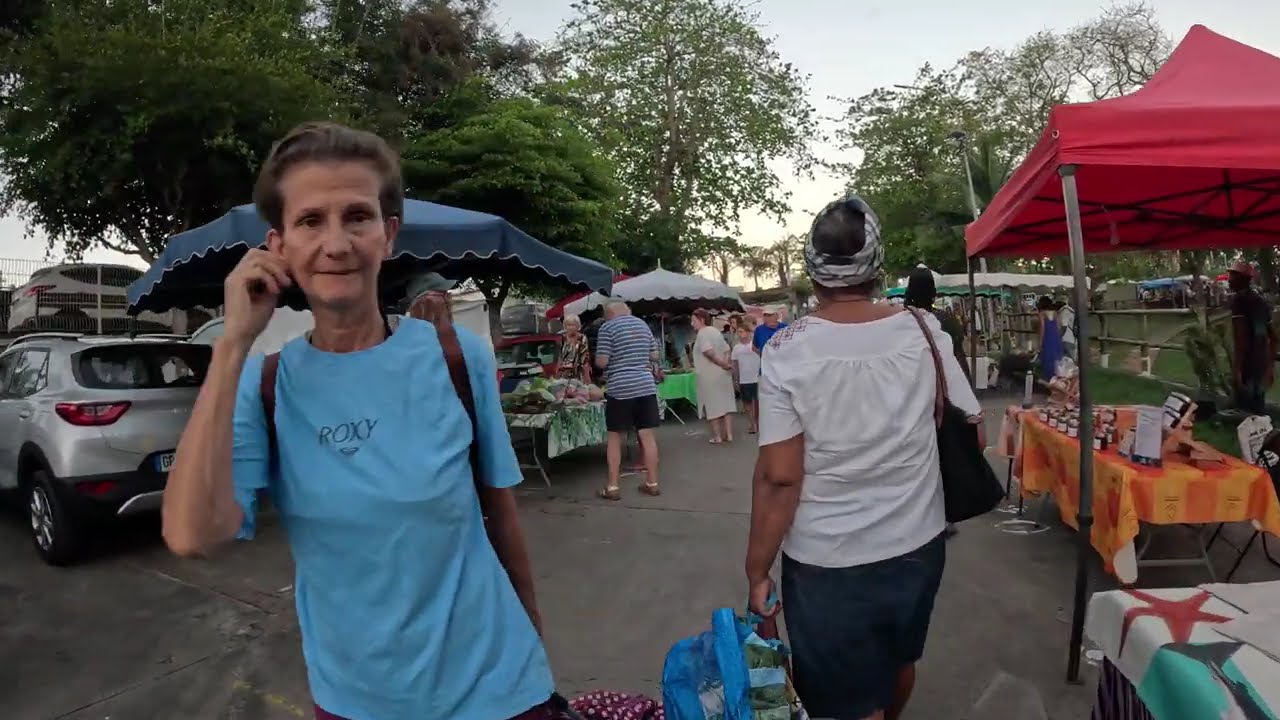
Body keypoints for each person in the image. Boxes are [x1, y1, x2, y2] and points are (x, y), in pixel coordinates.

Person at [160, 122, 557, 720]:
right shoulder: (264, 383)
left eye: (357, 216)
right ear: (279, 245)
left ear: (388, 234)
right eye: (311, 221)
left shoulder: (456, 358)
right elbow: (193, 535)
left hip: (500, 686)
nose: (337, 243)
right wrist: (233, 343)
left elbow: (498, 513)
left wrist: (535, 649)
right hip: (357, 702)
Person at [746, 195, 982, 720]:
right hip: (918, 545)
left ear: (812, 268)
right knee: (899, 660)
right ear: (877, 266)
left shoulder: (786, 348)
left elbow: (781, 479)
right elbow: (973, 430)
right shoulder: (925, 332)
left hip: (826, 561)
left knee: (842, 701)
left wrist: (756, 568)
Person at [595, 301, 662, 499]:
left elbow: (602, 362)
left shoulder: (607, 328)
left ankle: (613, 487)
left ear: (609, 315)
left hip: (620, 387)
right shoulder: (643, 325)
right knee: (647, 435)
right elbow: (655, 355)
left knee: (615, 437)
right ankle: (652, 483)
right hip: (645, 384)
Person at [1229, 261, 1276, 414]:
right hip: (1260, 367)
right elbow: (1273, 337)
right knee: (1258, 414)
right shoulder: (1260, 302)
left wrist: (1236, 370)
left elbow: (1241, 341)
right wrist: (1269, 368)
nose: (1229, 279)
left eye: (1233, 276)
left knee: (1244, 418)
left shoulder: (1239, 302)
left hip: (1246, 369)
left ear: (1243, 279)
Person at [691, 307, 738, 443]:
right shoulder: (715, 331)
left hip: (709, 375)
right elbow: (727, 349)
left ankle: (717, 436)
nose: (692, 324)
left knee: (712, 405)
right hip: (722, 374)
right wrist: (725, 363)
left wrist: (722, 364)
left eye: (693, 320)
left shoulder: (703, 333)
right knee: (726, 403)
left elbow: (708, 352)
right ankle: (729, 434)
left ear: (701, 320)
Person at [731, 326, 760, 434]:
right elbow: (735, 364)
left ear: (748, 333)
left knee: (757, 403)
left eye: (741, 331)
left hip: (757, 378)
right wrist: (735, 380)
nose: (739, 334)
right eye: (738, 332)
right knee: (747, 404)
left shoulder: (755, 345)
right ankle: (753, 424)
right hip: (744, 379)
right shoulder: (736, 348)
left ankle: (758, 423)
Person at [558, 313, 592, 383]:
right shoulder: (561, 338)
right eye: (569, 325)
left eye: (573, 325)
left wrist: (586, 376)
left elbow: (585, 357)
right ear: (565, 326)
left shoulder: (582, 338)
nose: (571, 327)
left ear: (577, 326)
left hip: (578, 372)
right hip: (563, 373)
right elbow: (558, 356)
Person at [1036, 295, 1063, 379]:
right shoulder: (1055, 313)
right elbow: (1059, 327)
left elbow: (1042, 328)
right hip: (1056, 338)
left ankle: (1049, 379)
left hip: (1047, 339)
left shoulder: (1042, 314)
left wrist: (1040, 342)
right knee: (1057, 360)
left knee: (1047, 360)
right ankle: (1057, 379)